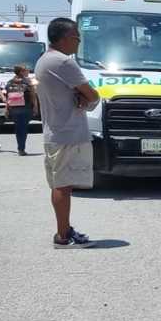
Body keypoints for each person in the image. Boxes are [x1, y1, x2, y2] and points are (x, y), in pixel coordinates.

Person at [36, 17, 100, 249]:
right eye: (76, 37)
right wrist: (87, 96)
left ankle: (64, 230)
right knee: (63, 186)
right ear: (64, 38)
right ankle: (63, 236)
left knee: (61, 184)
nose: (79, 42)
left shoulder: (45, 60)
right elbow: (92, 95)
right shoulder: (63, 63)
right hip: (67, 134)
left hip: (56, 131)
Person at [5, 63, 38, 155]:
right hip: (25, 107)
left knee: (18, 127)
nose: (28, 71)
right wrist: (35, 107)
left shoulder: (10, 82)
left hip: (13, 107)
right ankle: (21, 148)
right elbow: (33, 95)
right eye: (26, 70)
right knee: (23, 128)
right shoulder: (29, 81)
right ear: (21, 72)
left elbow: (8, 96)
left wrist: (7, 108)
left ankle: (20, 147)